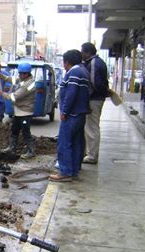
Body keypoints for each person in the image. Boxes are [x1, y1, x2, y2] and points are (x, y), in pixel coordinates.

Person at [49, 50, 91, 182]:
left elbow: (71, 94)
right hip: (80, 113)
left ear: (66, 62)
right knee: (77, 142)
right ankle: (74, 169)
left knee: (64, 143)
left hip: (72, 114)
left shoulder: (74, 73)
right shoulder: (83, 71)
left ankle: (65, 172)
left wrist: (64, 112)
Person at [0, 62, 36, 159]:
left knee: (25, 132)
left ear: (26, 74)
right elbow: (14, 80)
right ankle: (11, 147)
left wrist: (4, 94)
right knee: (14, 130)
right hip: (19, 111)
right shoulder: (24, 80)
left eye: (20, 73)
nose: (19, 75)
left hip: (25, 113)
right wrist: (2, 76)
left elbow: (15, 97)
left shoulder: (29, 84)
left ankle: (31, 151)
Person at [81, 42, 109, 164]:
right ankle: (90, 153)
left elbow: (94, 83)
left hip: (94, 100)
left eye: (82, 51)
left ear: (88, 52)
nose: (81, 54)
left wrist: (89, 95)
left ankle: (92, 155)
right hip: (96, 98)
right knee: (90, 126)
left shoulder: (93, 63)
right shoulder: (97, 62)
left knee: (91, 127)